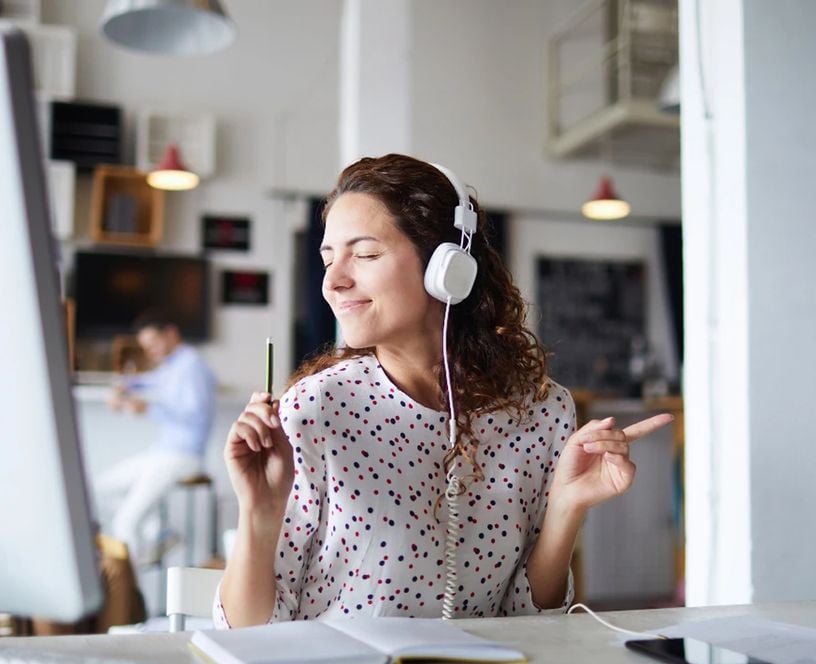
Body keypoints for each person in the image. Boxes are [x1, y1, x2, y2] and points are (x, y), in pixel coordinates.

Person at [217, 153, 672, 627]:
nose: (334, 281)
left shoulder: (543, 411)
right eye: (328, 258)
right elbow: (249, 633)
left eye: (366, 254)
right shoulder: (315, 408)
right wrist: (258, 513)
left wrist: (566, 508)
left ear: (448, 268)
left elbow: (529, 619)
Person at [93, 310, 216, 565]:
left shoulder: (191, 366)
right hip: (162, 453)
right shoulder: (174, 365)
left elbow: (194, 416)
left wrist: (147, 408)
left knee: (127, 520)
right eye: (145, 347)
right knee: (99, 488)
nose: (150, 351)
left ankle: (128, 596)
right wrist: (127, 386)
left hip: (183, 457)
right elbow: (151, 381)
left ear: (171, 334)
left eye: (153, 344)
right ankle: (159, 531)